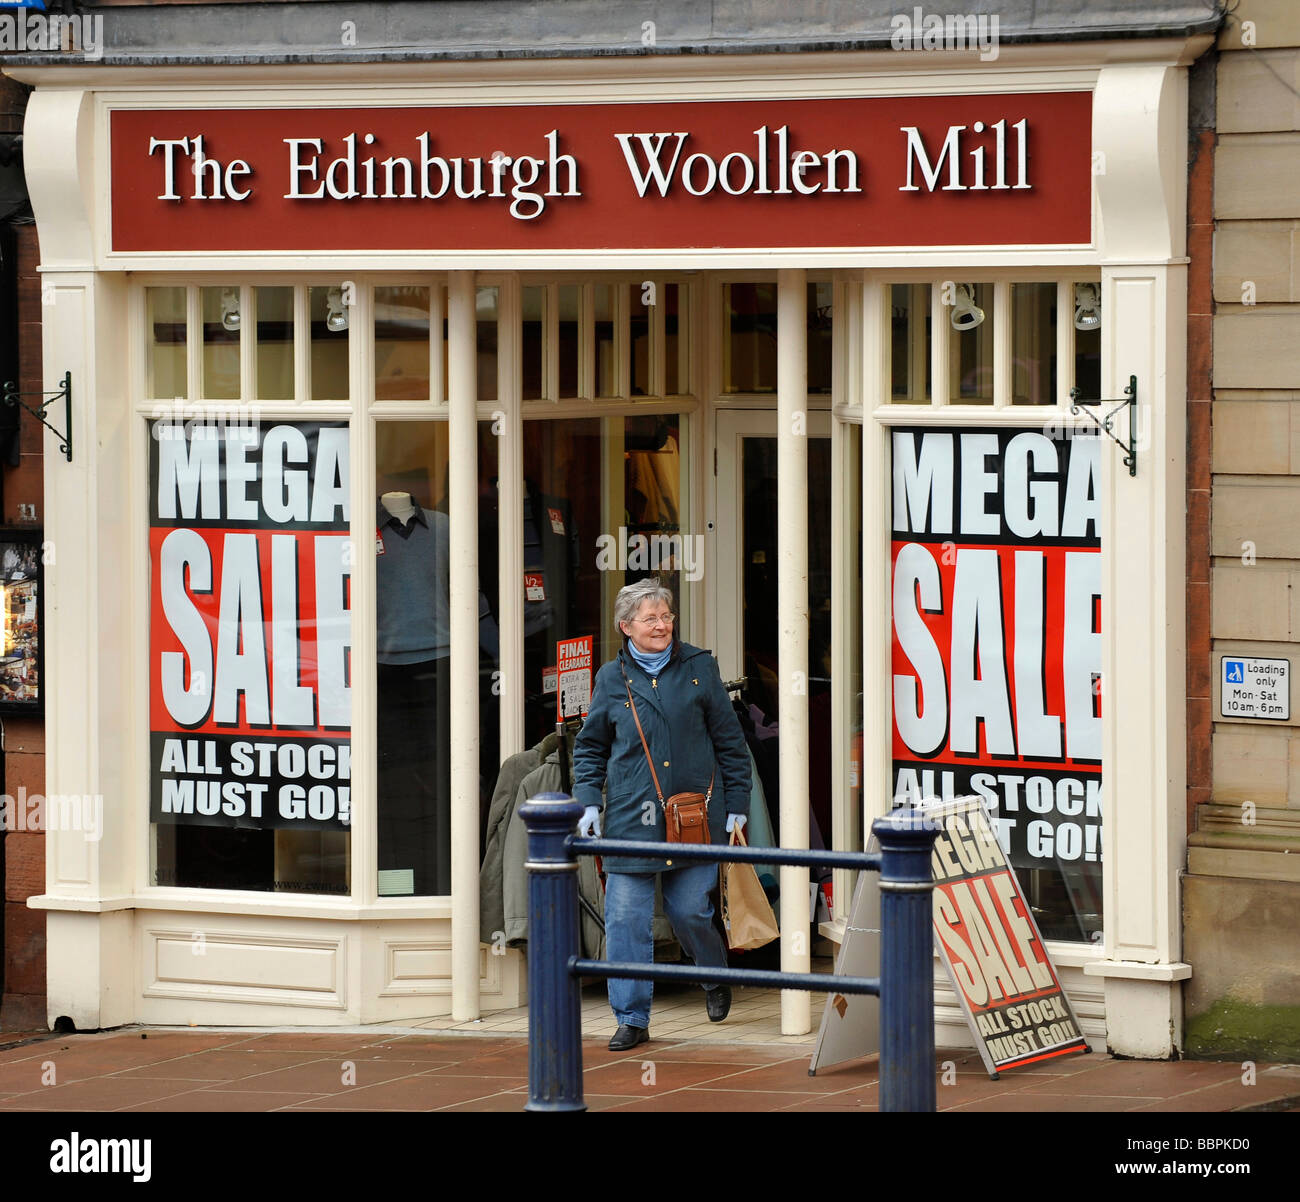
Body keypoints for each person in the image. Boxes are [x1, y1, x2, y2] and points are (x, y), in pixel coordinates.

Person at [572, 577, 752, 1051]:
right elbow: (590, 748)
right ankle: (632, 1017)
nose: (661, 625)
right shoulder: (611, 678)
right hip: (631, 818)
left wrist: (737, 805)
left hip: (694, 815)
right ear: (626, 626)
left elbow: (731, 744)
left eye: (666, 616)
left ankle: (713, 975)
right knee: (626, 919)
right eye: (650, 618)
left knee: (690, 911)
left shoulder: (699, 667)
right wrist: (588, 800)